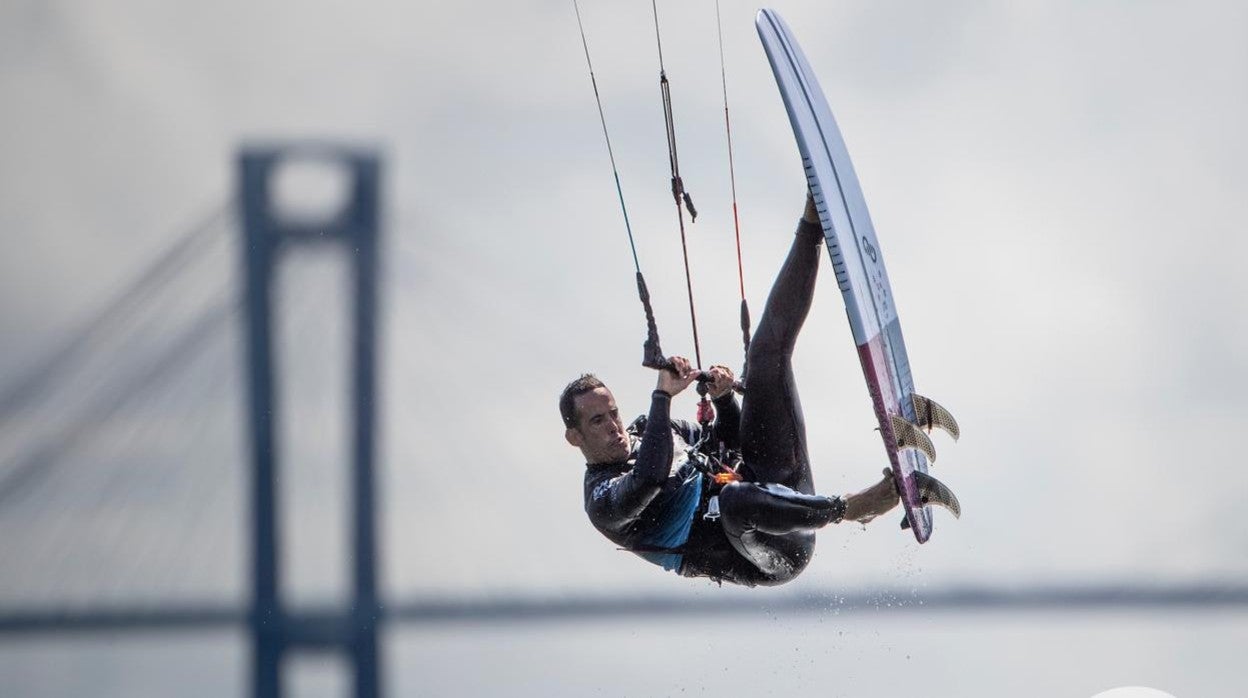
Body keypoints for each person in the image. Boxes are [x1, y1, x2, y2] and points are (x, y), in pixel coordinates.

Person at [561, 193, 947, 587]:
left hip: (777, 489)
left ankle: (811, 223)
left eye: (613, 413)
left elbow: (732, 441)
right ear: (574, 437)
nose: (614, 426)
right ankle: (853, 507)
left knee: (765, 357)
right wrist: (662, 397)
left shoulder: (650, 432)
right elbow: (648, 480)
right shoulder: (603, 502)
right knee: (733, 502)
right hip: (770, 551)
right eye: (597, 420)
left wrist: (724, 399)